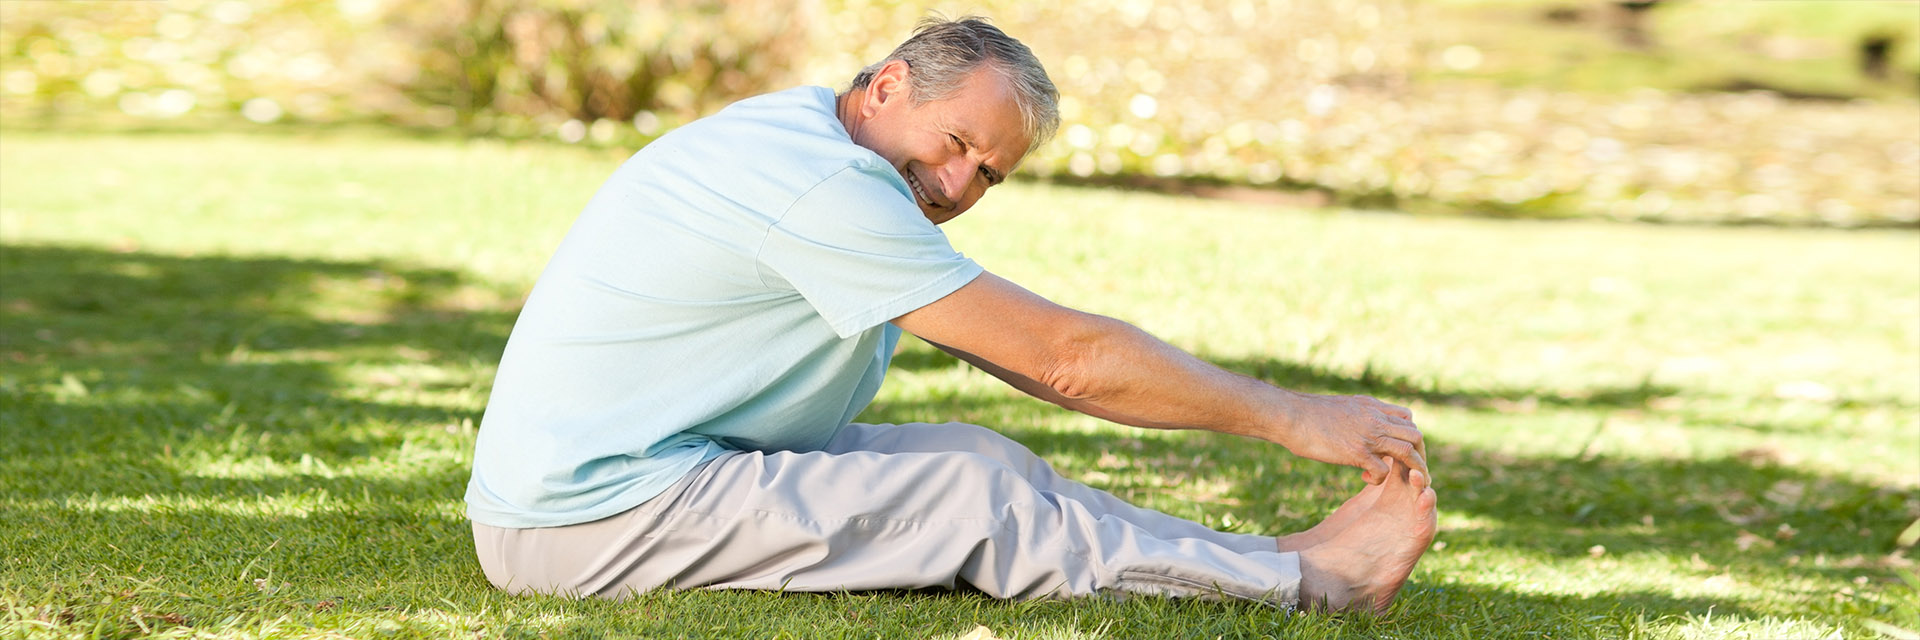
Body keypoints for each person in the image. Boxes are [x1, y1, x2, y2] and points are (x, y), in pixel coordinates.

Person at [465, 16, 1437, 614]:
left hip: (657, 470)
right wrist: (1294, 415)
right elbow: (1066, 360)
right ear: (888, 85)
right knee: (968, 506)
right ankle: (1315, 585)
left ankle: (1269, 558)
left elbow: (1025, 359)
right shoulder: (821, 186)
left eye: (989, 172)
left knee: (978, 460)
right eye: (957, 141)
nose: (957, 184)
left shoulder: (805, 137)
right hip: (586, 516)